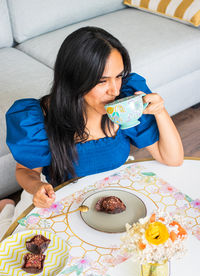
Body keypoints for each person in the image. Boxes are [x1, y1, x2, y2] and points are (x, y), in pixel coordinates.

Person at [1, 26, 183, 238]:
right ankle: (6, 210)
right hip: (64, 204)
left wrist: (161, 112)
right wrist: (37, 186)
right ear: (74, 80)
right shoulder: (37, 118)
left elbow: (173, 158)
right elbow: (25, 171)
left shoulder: (125, 103)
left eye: (119, 76)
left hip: (108, 201)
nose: (114, 90)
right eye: (102, 81)